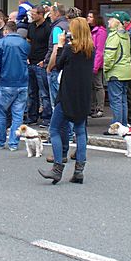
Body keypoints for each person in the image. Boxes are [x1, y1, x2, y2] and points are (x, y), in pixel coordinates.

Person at [38, 17, 94, 184]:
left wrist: (61, 45)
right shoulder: (91, 49)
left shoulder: (70, 49)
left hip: (67, 94)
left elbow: (59, 64)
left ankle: (57, 168)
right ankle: (79, 171)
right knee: (80, 132)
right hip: (83, 96)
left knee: (54, 129)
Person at [0, 21, 29, 151]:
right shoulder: (24, 43)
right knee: (18, 115)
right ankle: (14, 143)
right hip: (22, 82)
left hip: (5, 82)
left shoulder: (1, 43)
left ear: (5, 31)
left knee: (0, 113)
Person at [103, 12, 131, 128]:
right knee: (123, 100)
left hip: (115, 72)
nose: (108, 21)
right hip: (126, 71)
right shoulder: (126, 35)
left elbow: (109, 56)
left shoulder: (113, 36)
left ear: (117, 22)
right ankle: (123, 125)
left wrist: (106, 69)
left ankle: (116, 126)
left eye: (111, 18)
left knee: (115, 101)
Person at [26, 6, 52, 126]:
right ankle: (32, 116)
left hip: (41, 63)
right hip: (30, 62)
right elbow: (28, 41)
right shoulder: (31, 26)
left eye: (33, 14)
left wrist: (44, 61)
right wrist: (27, 56)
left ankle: (47, 117)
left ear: (41, 14)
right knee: (31, 92)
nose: (31, 16)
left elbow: (50, 46)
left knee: (44, 93)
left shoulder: (48, 27)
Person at [87, 11, 107, 118]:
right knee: (91, 86)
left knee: (98, 85)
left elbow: (100, 50)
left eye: (90, 17)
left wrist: (95, 66)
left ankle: (100, 108)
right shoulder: (91, 30)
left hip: (96, 62)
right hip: (90, 61)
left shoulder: (100, 31)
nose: (88, 18)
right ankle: (92, 107)